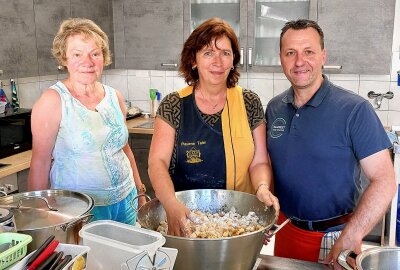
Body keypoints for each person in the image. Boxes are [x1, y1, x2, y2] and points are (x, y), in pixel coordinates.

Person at [265, 19, 396, 268]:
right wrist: (265, 219)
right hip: (285, 231)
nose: (299, 61)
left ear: (323, 56)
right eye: (290, 52)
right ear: (281, 58)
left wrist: (353, 234)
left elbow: (385, 180)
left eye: (309, 52)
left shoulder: (355, 110)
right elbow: (272, 167)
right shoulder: (274, 108)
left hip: (337, 236)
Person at [148, 17, 280, 236]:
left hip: (237, 223)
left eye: (225, 53)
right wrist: (171, 205)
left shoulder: (249, 102)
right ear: (193, 60)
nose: (218, 62)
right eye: (208, 53)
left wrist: (262, 188)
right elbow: (156, 163)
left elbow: (260, 161)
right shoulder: (174, 105)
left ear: (233, 60)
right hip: (186, 220)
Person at [28, 18, 146, 224]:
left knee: (130, 255)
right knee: (90, 257)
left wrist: (140, 190)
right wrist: (41, 215)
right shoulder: (53, 100)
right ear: (64, 58)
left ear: (103, 57)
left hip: (126, 200)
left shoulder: (114, 96)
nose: (88, 62)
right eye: (77, 54)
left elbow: (124, 148)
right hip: (81, 208)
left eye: (95, 53)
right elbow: (40, 163)